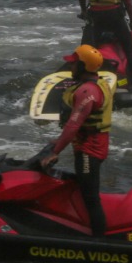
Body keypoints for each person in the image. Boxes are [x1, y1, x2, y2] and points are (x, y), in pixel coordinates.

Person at [36, 44, 115, 237]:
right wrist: (59, 141)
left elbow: (73, 125)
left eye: (73, 64)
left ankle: (100, 243)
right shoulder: (97, 83)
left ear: (82, 67)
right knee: (82, 187)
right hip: (92, 143)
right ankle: (81, 227)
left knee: (90, 197)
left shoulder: (86, 92)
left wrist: (55, 152)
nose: (70, 68)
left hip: (90, 149)